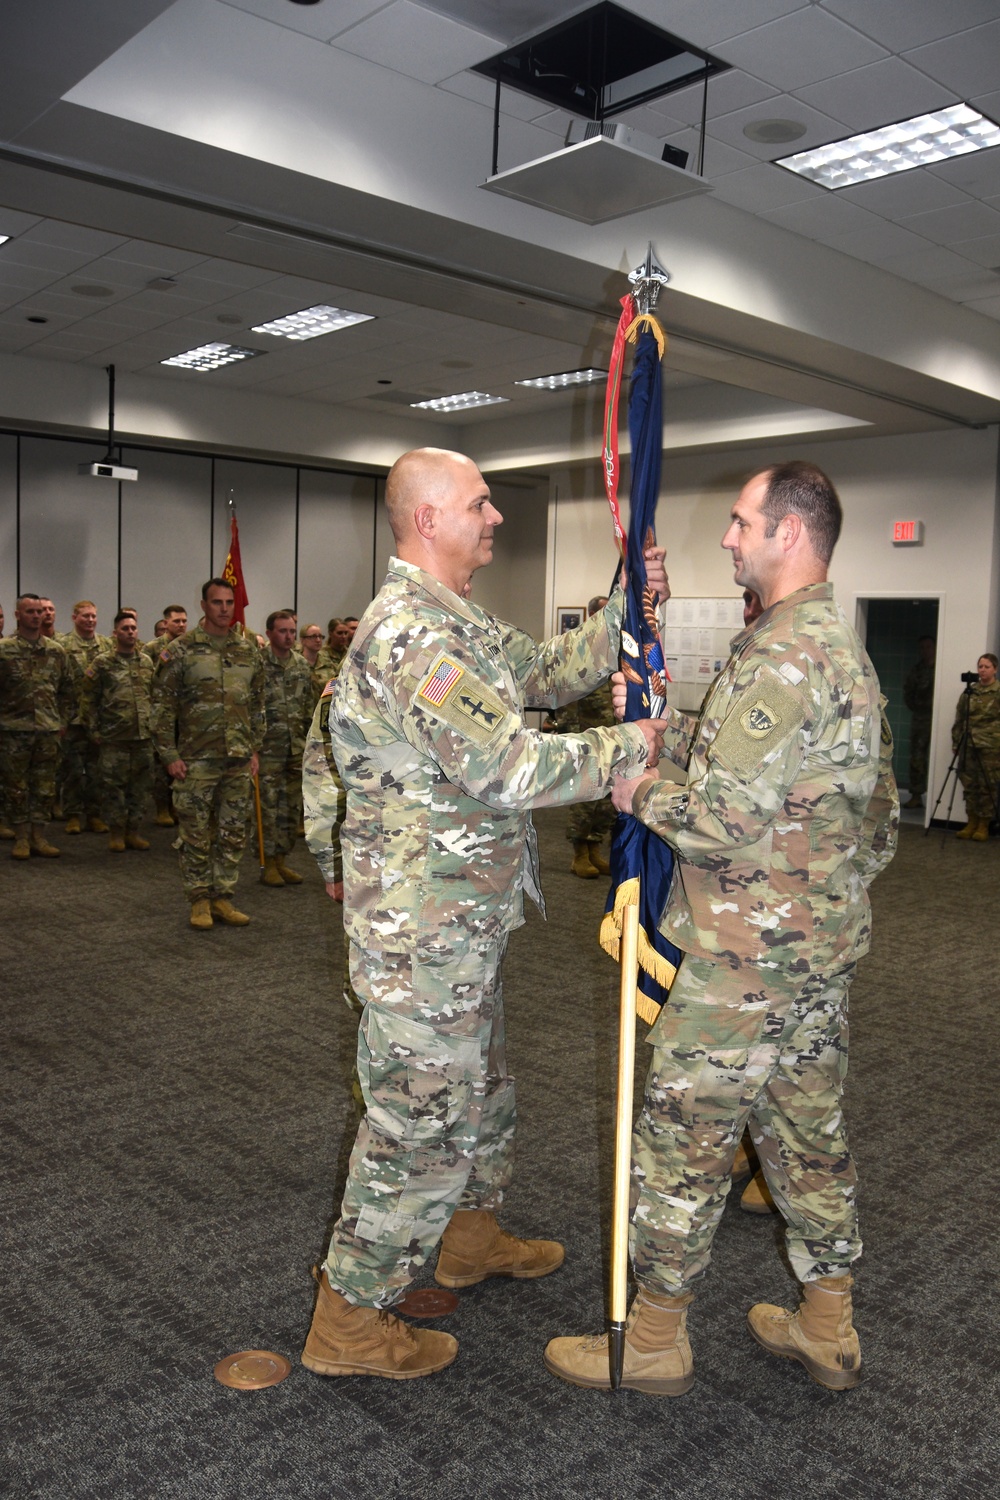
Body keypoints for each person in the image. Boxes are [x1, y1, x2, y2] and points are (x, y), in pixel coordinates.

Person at [300, 445, 668, 1382]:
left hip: (465, 922)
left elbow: (544, 672)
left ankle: (468, 1238)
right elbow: (506, 764)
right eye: (480, 502)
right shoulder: (411, 637)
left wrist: (626, 604)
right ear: (428, 519)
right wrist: (627, 750)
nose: (495, 516)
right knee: (418, 1119)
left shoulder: (455, 619)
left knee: (485, 1090)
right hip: (422, 936)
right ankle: (350, 1317)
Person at [545, 460, 898, 1396]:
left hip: (742, 959)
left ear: (788, 532)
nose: (729, 537)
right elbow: (879, 816)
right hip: (812, 953)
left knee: (683, 1140)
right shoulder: (836, 648)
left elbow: (725, 820)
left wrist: (640, 787)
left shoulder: (784, 655)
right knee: (805, 1135)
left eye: (743, 522)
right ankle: (830, 1325)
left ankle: (654, 1340)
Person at [149, 579, 265, 929]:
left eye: (229, 602)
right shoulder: (180, 650)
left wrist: (255, 749)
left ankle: (223, 897)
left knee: (232, 832)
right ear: (203, 605)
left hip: (238, 758)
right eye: (217, 602)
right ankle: (199, 899)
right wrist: (169, 754)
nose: (225, 608)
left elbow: (258, 703)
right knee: (196, 833)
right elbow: (161, 706)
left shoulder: (247, 650)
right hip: (196, 759)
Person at [0, 594, 75, 859]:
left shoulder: (56, 651)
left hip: (47, 729)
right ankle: (21, 837)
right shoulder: (4, 650)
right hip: (13, 730)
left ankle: (39, 836)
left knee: (45, 786)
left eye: (38, 612)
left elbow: (67, 690)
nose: (35, 616)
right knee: (16, 786)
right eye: (29, 611)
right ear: (17, 615)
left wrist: (62, 721)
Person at [551, 595, 619, 879]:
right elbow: (567, 697)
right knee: (586, 797)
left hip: (611, 735)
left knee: (606, 799)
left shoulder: (615, 650)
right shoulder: (579, 649)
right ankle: (579, 854)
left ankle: (594, 849)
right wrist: (570, 740)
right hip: (586, 737)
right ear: (592, 616)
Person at [82, 610, 155, 852]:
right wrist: (93, 730)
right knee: (114, 788)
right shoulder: (102, 663)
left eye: (133, 628)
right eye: (125, 629)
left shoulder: (146, 661)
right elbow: (88, 698)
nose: (130, 632)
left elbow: (153, 697)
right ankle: (115, 833)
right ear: (115, 633)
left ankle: (133, 831)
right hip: (114, 737)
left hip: (143, 736)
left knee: (140, 788)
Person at [258, 609, 314, 886]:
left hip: (296, 748)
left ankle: (282, 859)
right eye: (283, 631)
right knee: (268, 807)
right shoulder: (257, 664)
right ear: (269, 633)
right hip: (267, 749)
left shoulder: (301, 666)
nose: (289, 636)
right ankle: (267, 862)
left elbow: (308, 709)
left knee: (291, 808)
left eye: (292, 631)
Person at [59, 600, 110, 836]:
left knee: (96, 770)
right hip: (72, 718)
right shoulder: (62, 645)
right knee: (72, 769)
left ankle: (94, 814)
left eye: (93, 616)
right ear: (74, 618)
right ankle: (72, 815)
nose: (90, 620)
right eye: (85, 616)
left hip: (98, 719)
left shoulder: (107, 645)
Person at [145, 606, 188, 825]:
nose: (181, 625)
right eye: (176, 621)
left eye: (184, 621)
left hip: (186, 715)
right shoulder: (153, 648)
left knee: (184, 763)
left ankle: (177, 805)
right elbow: (146, 680)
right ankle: (161, 808)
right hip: (163, 713)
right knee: (162, 764)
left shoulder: (189, 646)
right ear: (166, 623)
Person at [952, 652, 1000, 841]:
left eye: (986, 667)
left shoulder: (998, 691)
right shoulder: (970, 691)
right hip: (969, 746)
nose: (982, 670)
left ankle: (983, 825)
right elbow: (960, 717)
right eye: (980, 666)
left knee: (987, 786)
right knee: (969, 784)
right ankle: (971, 822)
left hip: (991, 747)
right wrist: (956, 742)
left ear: (994, 669)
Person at [903, 635, 935, 810]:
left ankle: (935, 795)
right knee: (917, 756)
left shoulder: (941, 669)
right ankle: (916, 794)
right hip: (921, 718)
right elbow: (908, 692)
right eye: (922, 648)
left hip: (936, 717)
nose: (925, 651)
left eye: (928, 647)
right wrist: (917, 707)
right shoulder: (917, 670)